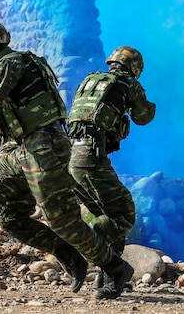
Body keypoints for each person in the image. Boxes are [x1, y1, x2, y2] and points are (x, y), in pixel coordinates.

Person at [0, 19, 133, 300]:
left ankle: (115, 267)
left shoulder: (10, 63)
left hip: (44, 145)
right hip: (17, 148)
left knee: (63, 220)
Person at [67, 46, 156, 289]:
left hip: (71, 156)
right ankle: (77, 246)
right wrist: (149, 105)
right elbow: (143, 117)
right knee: (124, 212)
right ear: (134, 67)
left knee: (108, 216)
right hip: (90, 158)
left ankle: (108, 278)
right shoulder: (127, 83)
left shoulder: (90, 80)